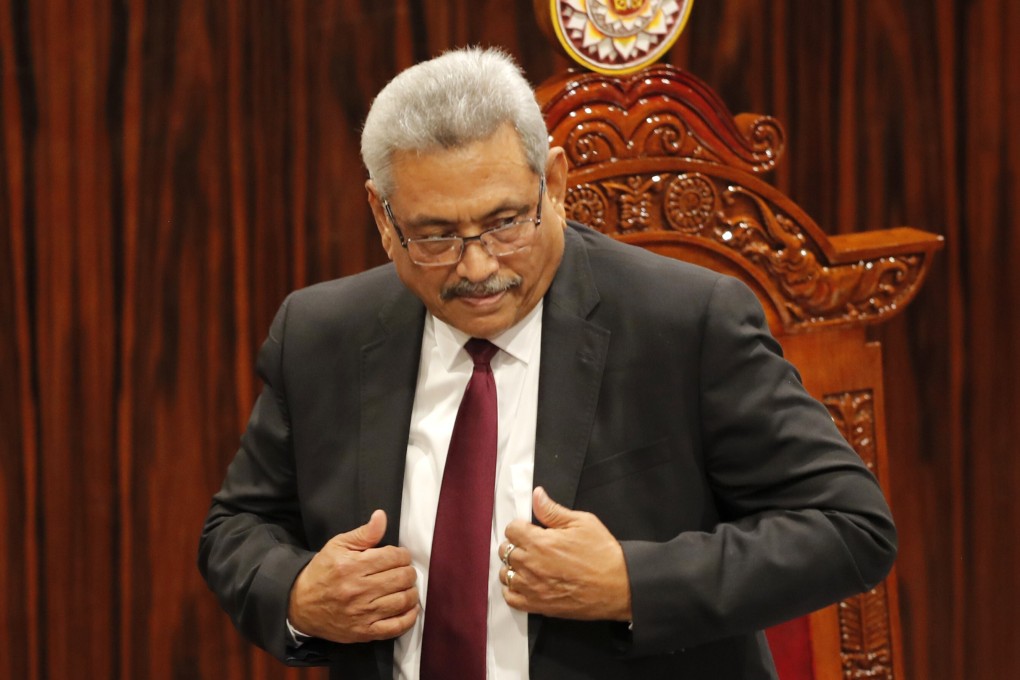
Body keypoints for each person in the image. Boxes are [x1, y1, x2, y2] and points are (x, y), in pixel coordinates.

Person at [198, 47, 897, 680]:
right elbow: (236, 529)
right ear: (383, 218)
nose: (478, 268)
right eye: (436, 237)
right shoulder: (321, 335)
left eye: (505, 223)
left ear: (554, 184)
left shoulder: (686, 322)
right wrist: (298, 596)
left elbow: (849, 526)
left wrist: (631, 582)